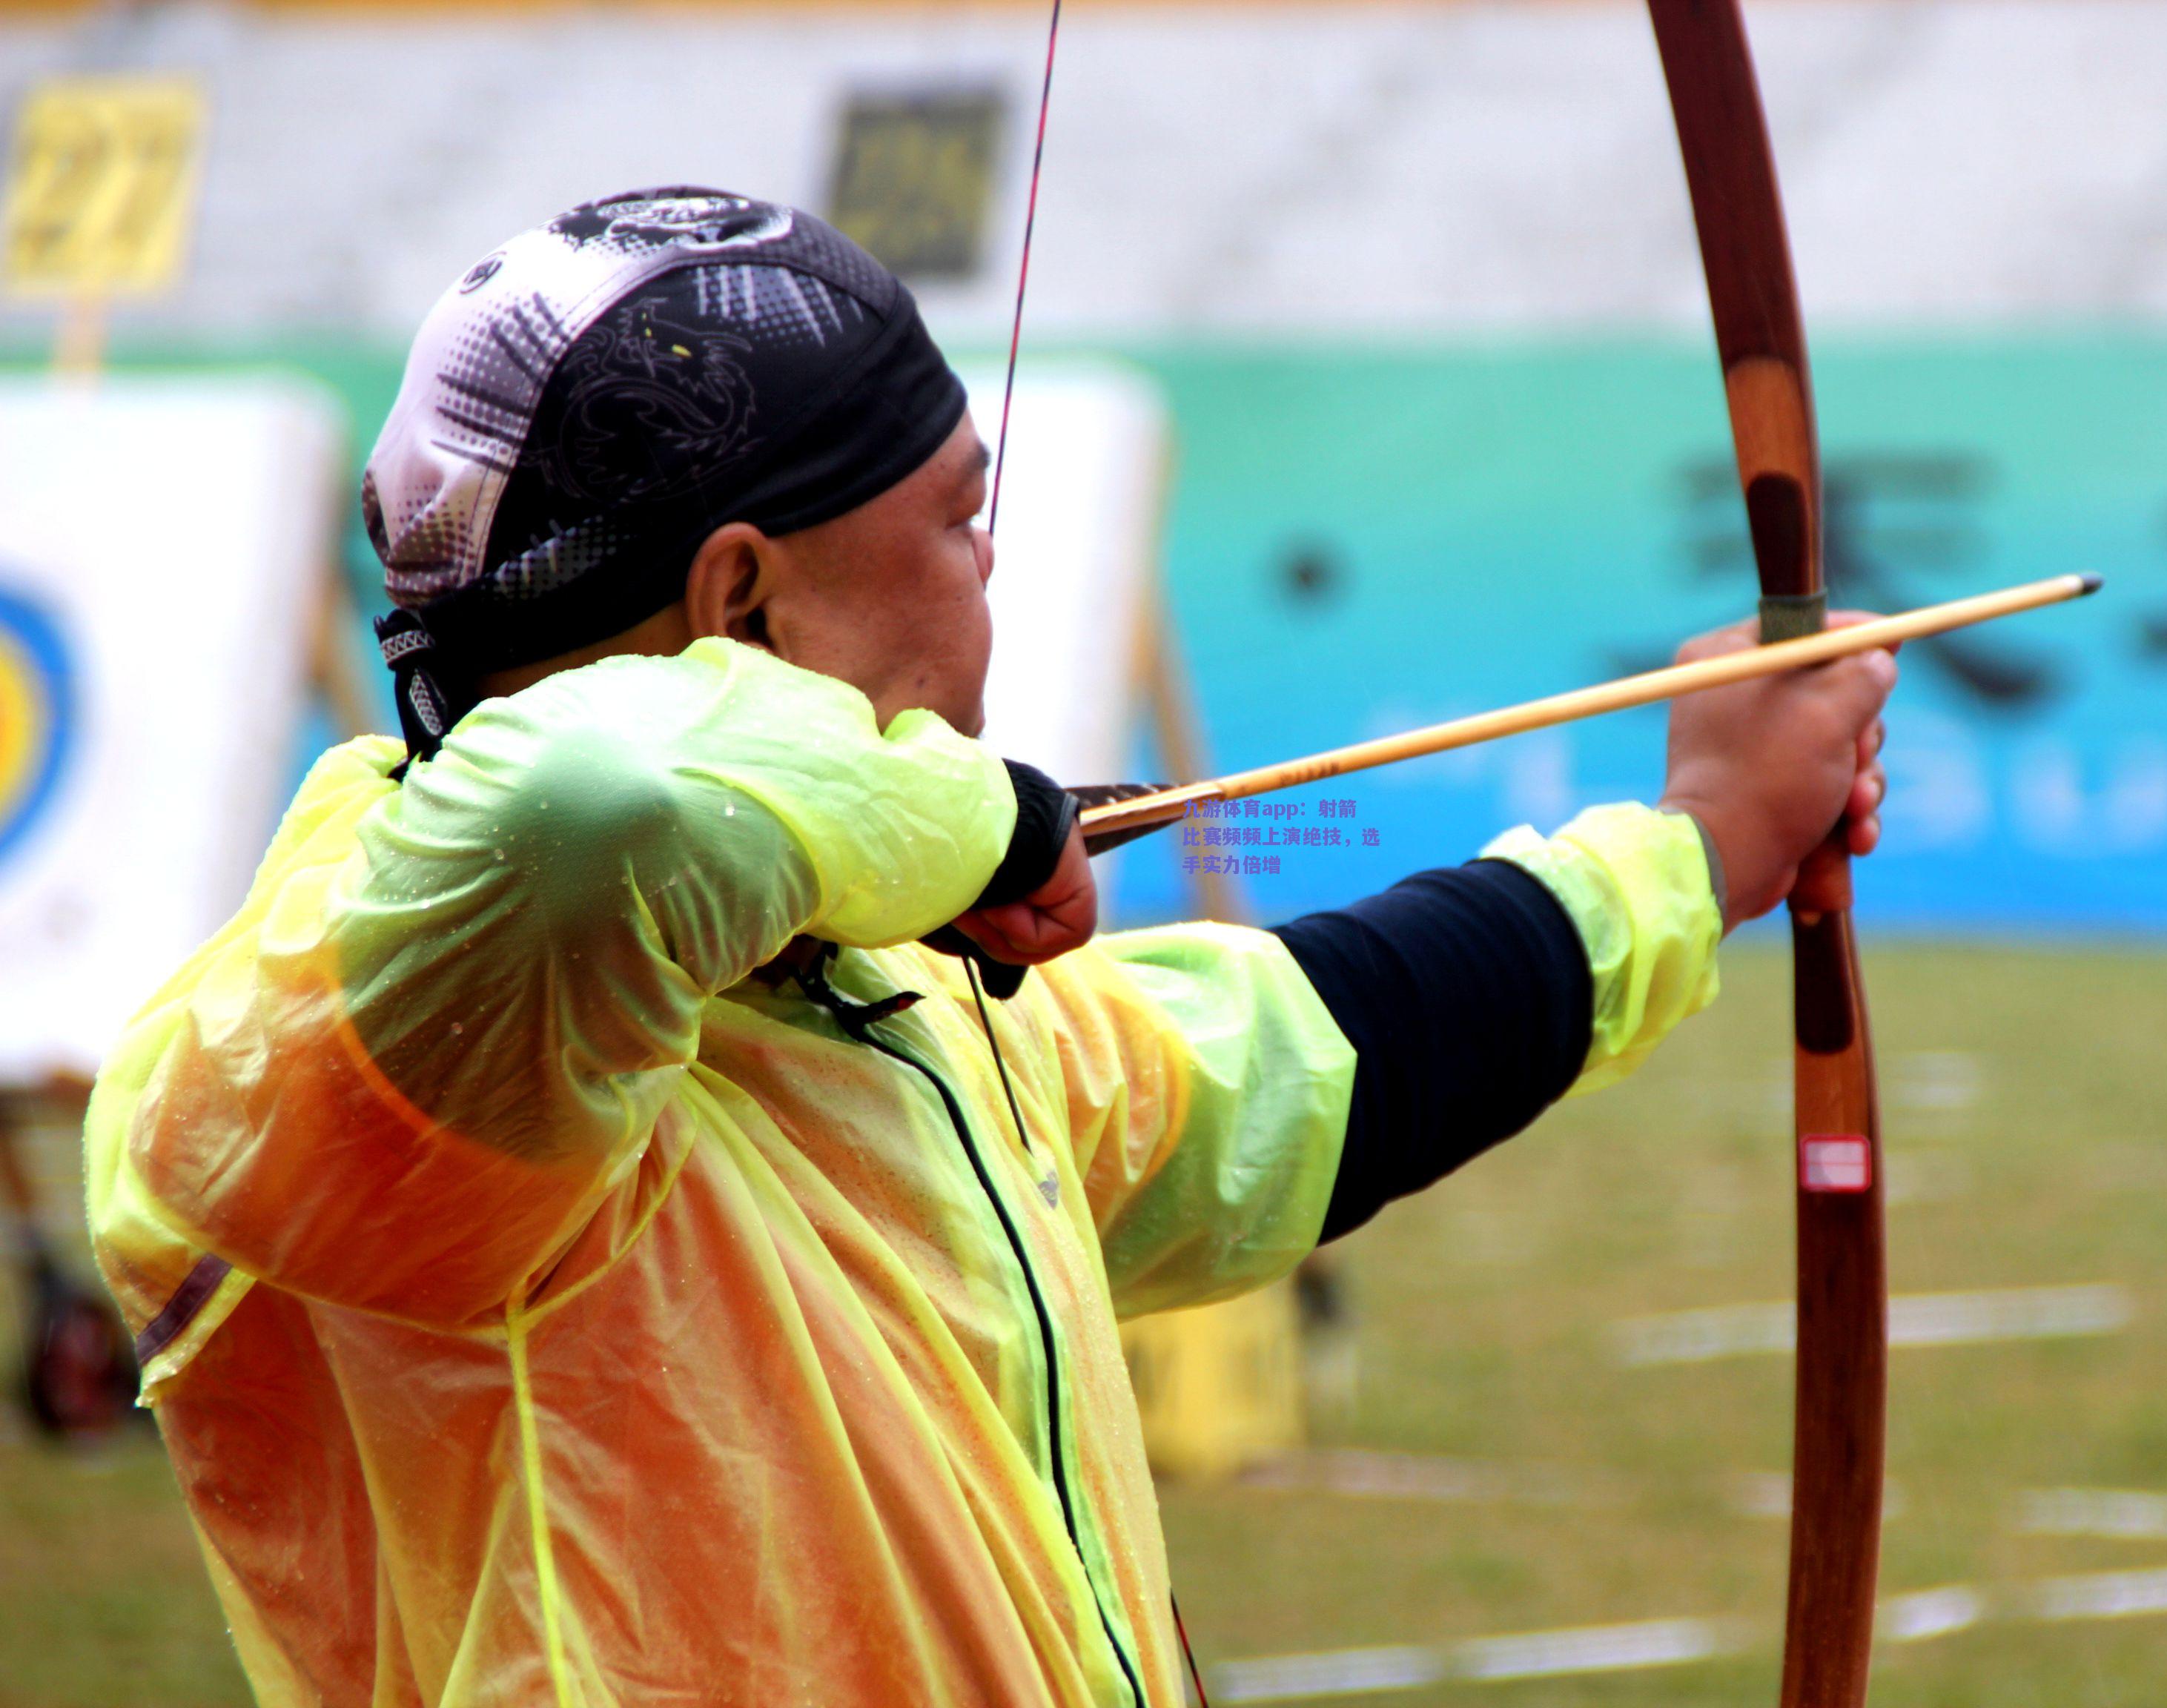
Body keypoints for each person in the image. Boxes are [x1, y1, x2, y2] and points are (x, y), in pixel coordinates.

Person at [85, 188, 1893, 1708]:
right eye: (954, 514)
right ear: (743, 601)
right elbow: (606, 799)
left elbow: (1288, 1063)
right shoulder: (378, 1020)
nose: (993, 562)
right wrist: (990, 825)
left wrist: (1693, 846)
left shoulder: (866, 985)